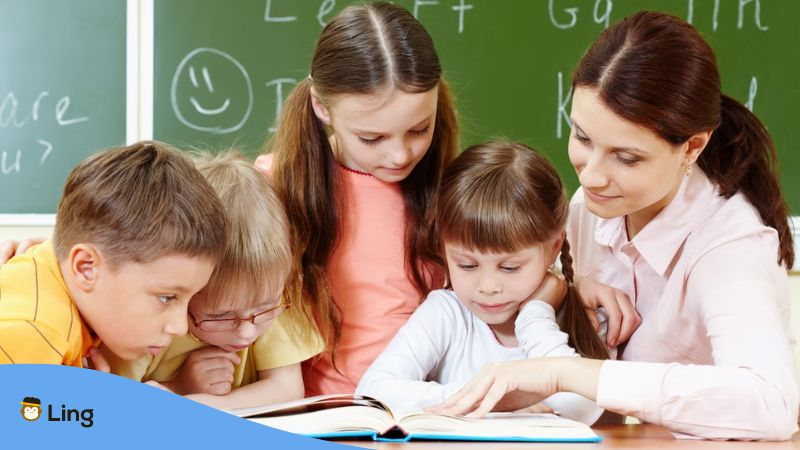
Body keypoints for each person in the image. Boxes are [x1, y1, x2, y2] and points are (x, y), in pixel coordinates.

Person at [430, 11, 798, 441]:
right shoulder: (593, 208)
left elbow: (771, 403)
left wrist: (570, 373)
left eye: (626, 158)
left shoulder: (729, 245)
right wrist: (570, 285)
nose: (591, 177)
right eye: (582, 138)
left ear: (693, 147)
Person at [256, 2, 460, 396]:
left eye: (419, 129)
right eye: (372, 138)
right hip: (312, 418)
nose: (399, 155)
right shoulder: (272, 187)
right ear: (321, 106)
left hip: (419, 415)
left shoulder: (451, 191)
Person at [356, 142, 607, 424]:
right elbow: (372, 393)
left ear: (553, 247)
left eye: (510, 267)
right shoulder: (446, 313)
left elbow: (582, 405)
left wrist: (535, 315)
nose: (488, 286)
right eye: (467, 265)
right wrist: (496, 402)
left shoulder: (586, 316)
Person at [106, 150, 323, 410]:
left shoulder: (276, 299)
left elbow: (287, 389)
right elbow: (116, 405)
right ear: (184, 292)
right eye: (221, 316)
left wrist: (209, 407)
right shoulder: (152, 324)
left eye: (264, 308)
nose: (246, 331)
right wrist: (179, 386)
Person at [0, 141, 226, 368]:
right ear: (86, 268)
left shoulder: (56, 273)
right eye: (166, 298)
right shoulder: (35, 331)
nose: (180, 327)